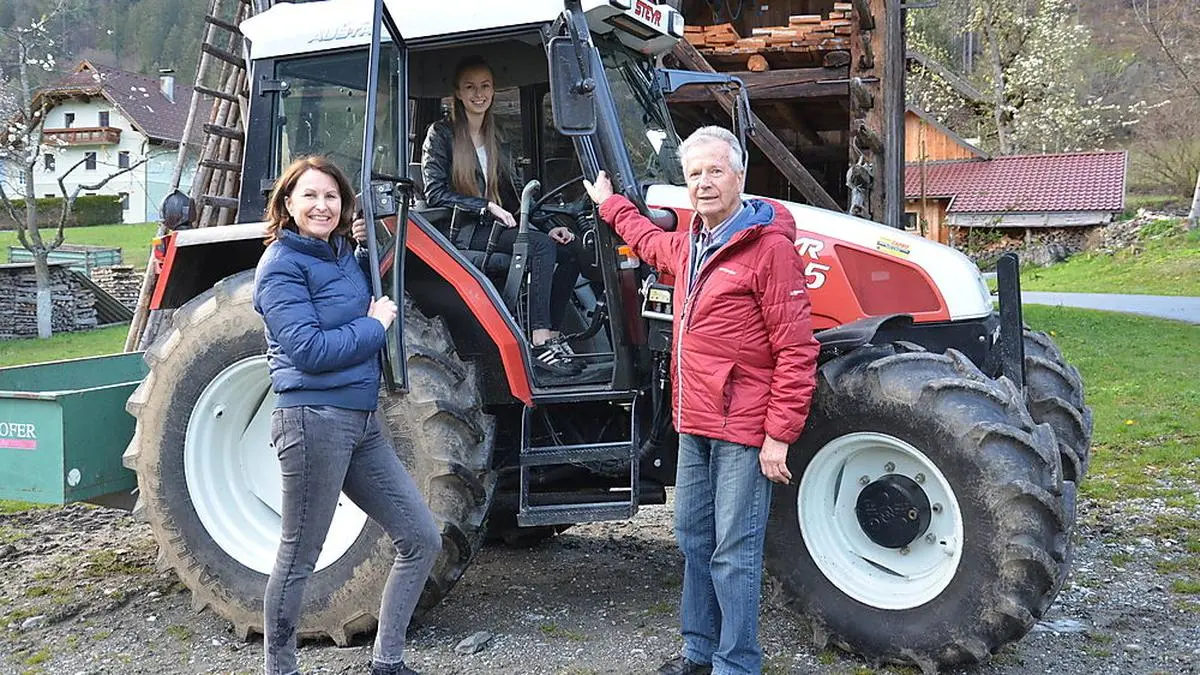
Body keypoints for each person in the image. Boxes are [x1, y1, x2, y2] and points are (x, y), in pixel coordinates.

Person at [584, 126, 819, 675]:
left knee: (734, 552)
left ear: (740, 176)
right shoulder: (692, 244)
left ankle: (736, 663)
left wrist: (778, 435)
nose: (704, 183)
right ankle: (698, 653)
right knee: (693, 538)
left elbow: (796, 349)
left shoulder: (769, 250)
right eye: (695, 174)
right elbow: (647, 241)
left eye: (715, 171)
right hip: (695, 421)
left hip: (743, 428)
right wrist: (610, 204)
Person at [254, 156, 441, 675]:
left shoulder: (339, 256)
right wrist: (375, 326)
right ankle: (280, 669)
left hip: (361, 422)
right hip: (312, 421)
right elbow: (310, 351)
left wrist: (364, 246)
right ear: (287, 203)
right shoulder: (280, 266)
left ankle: (388, 662)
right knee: (299, 557)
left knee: (420, 538)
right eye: (310, 196)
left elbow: (352, 288)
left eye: (331, 196)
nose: (322, 205)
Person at [421, 55, 582, 376]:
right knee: (540, 247)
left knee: (570, 251)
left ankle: (551, 333)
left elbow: (516, 196)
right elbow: (434, 193)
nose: (478, 94)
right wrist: (484, 206)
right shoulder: (441, 134)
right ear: (458, 92)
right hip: (463, 230)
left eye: (485, 86)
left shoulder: (497, 136)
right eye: (470, 87)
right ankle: (539, 339)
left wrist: (549, 226)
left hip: (497, 227)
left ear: (493, 90)